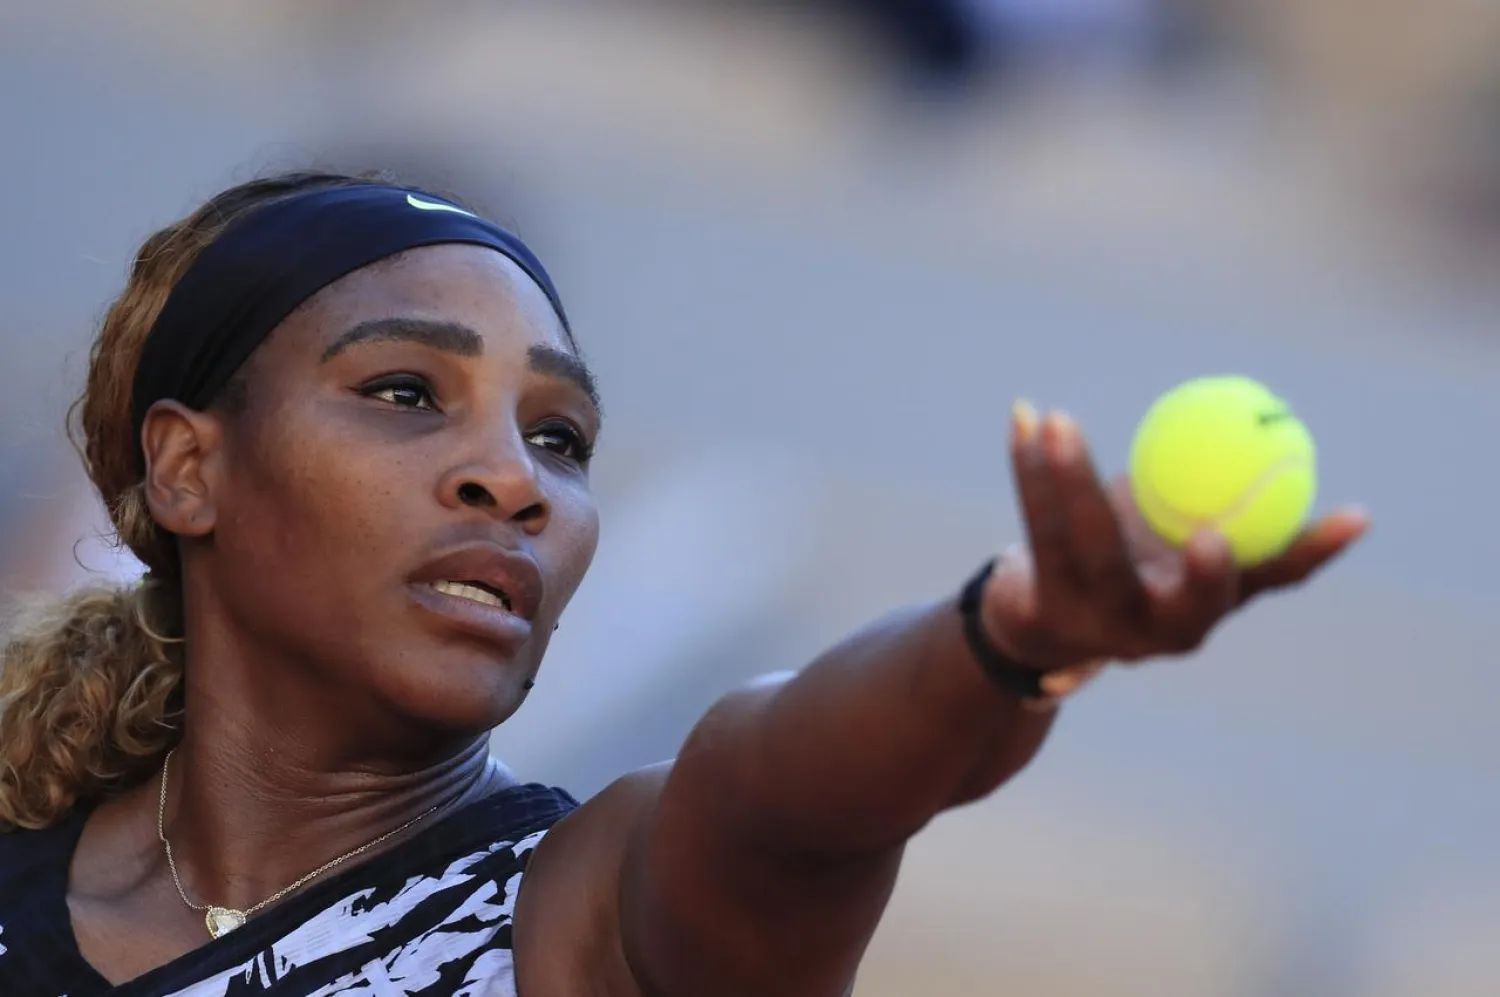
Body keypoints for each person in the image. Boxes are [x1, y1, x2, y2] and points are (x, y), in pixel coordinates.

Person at [0, 169, 1367, 997]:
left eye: (561, 438)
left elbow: (787, 792)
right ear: (188, 471)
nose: (515, 480)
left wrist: (1006, 642)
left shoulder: (590, 921)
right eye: (408, 393)